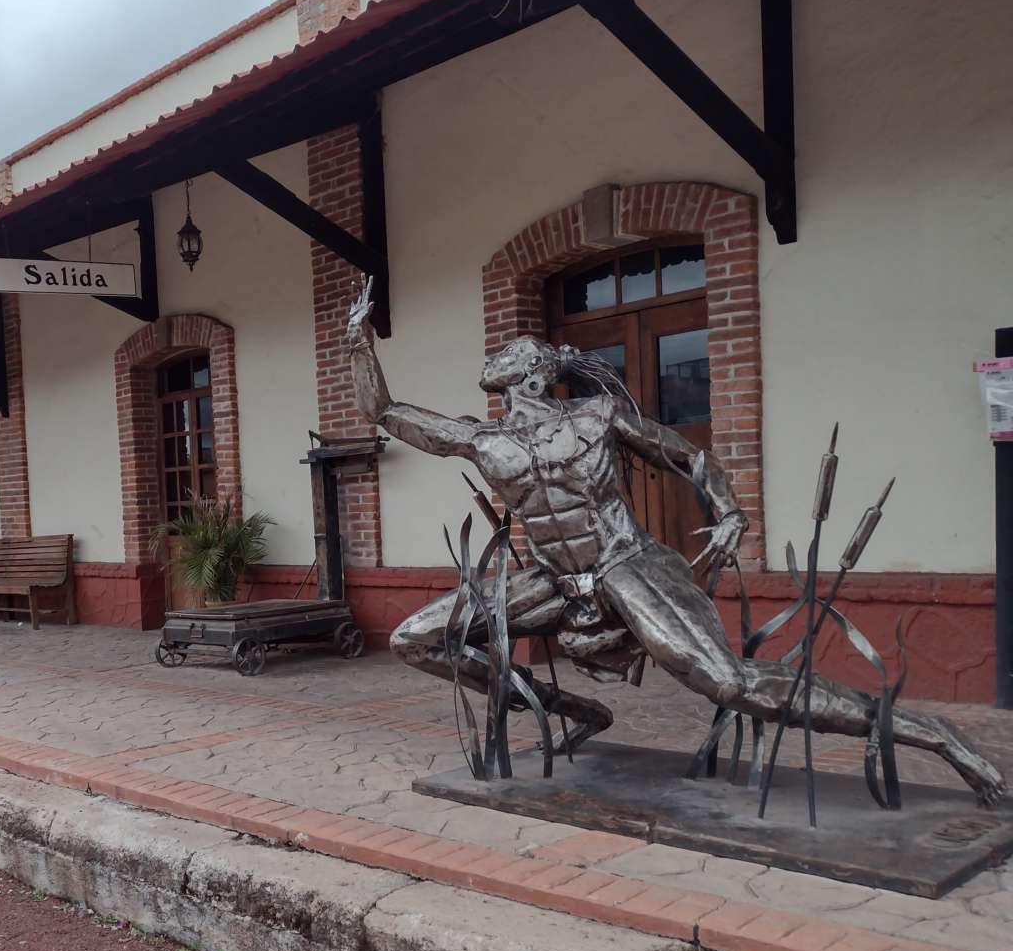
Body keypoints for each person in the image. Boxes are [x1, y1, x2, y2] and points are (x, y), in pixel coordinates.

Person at [345, 279, 1005, 805]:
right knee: (415, 639)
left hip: (624, 563)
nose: (499, 362)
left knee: (726, 682)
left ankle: (927, 734)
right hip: (554, 580)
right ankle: (573, 708)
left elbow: (685, 456)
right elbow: (384, 412)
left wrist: (726, 510)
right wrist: (358, 342)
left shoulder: (598, 417)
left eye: (513, 354)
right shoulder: (482, 439)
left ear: (539, 374)